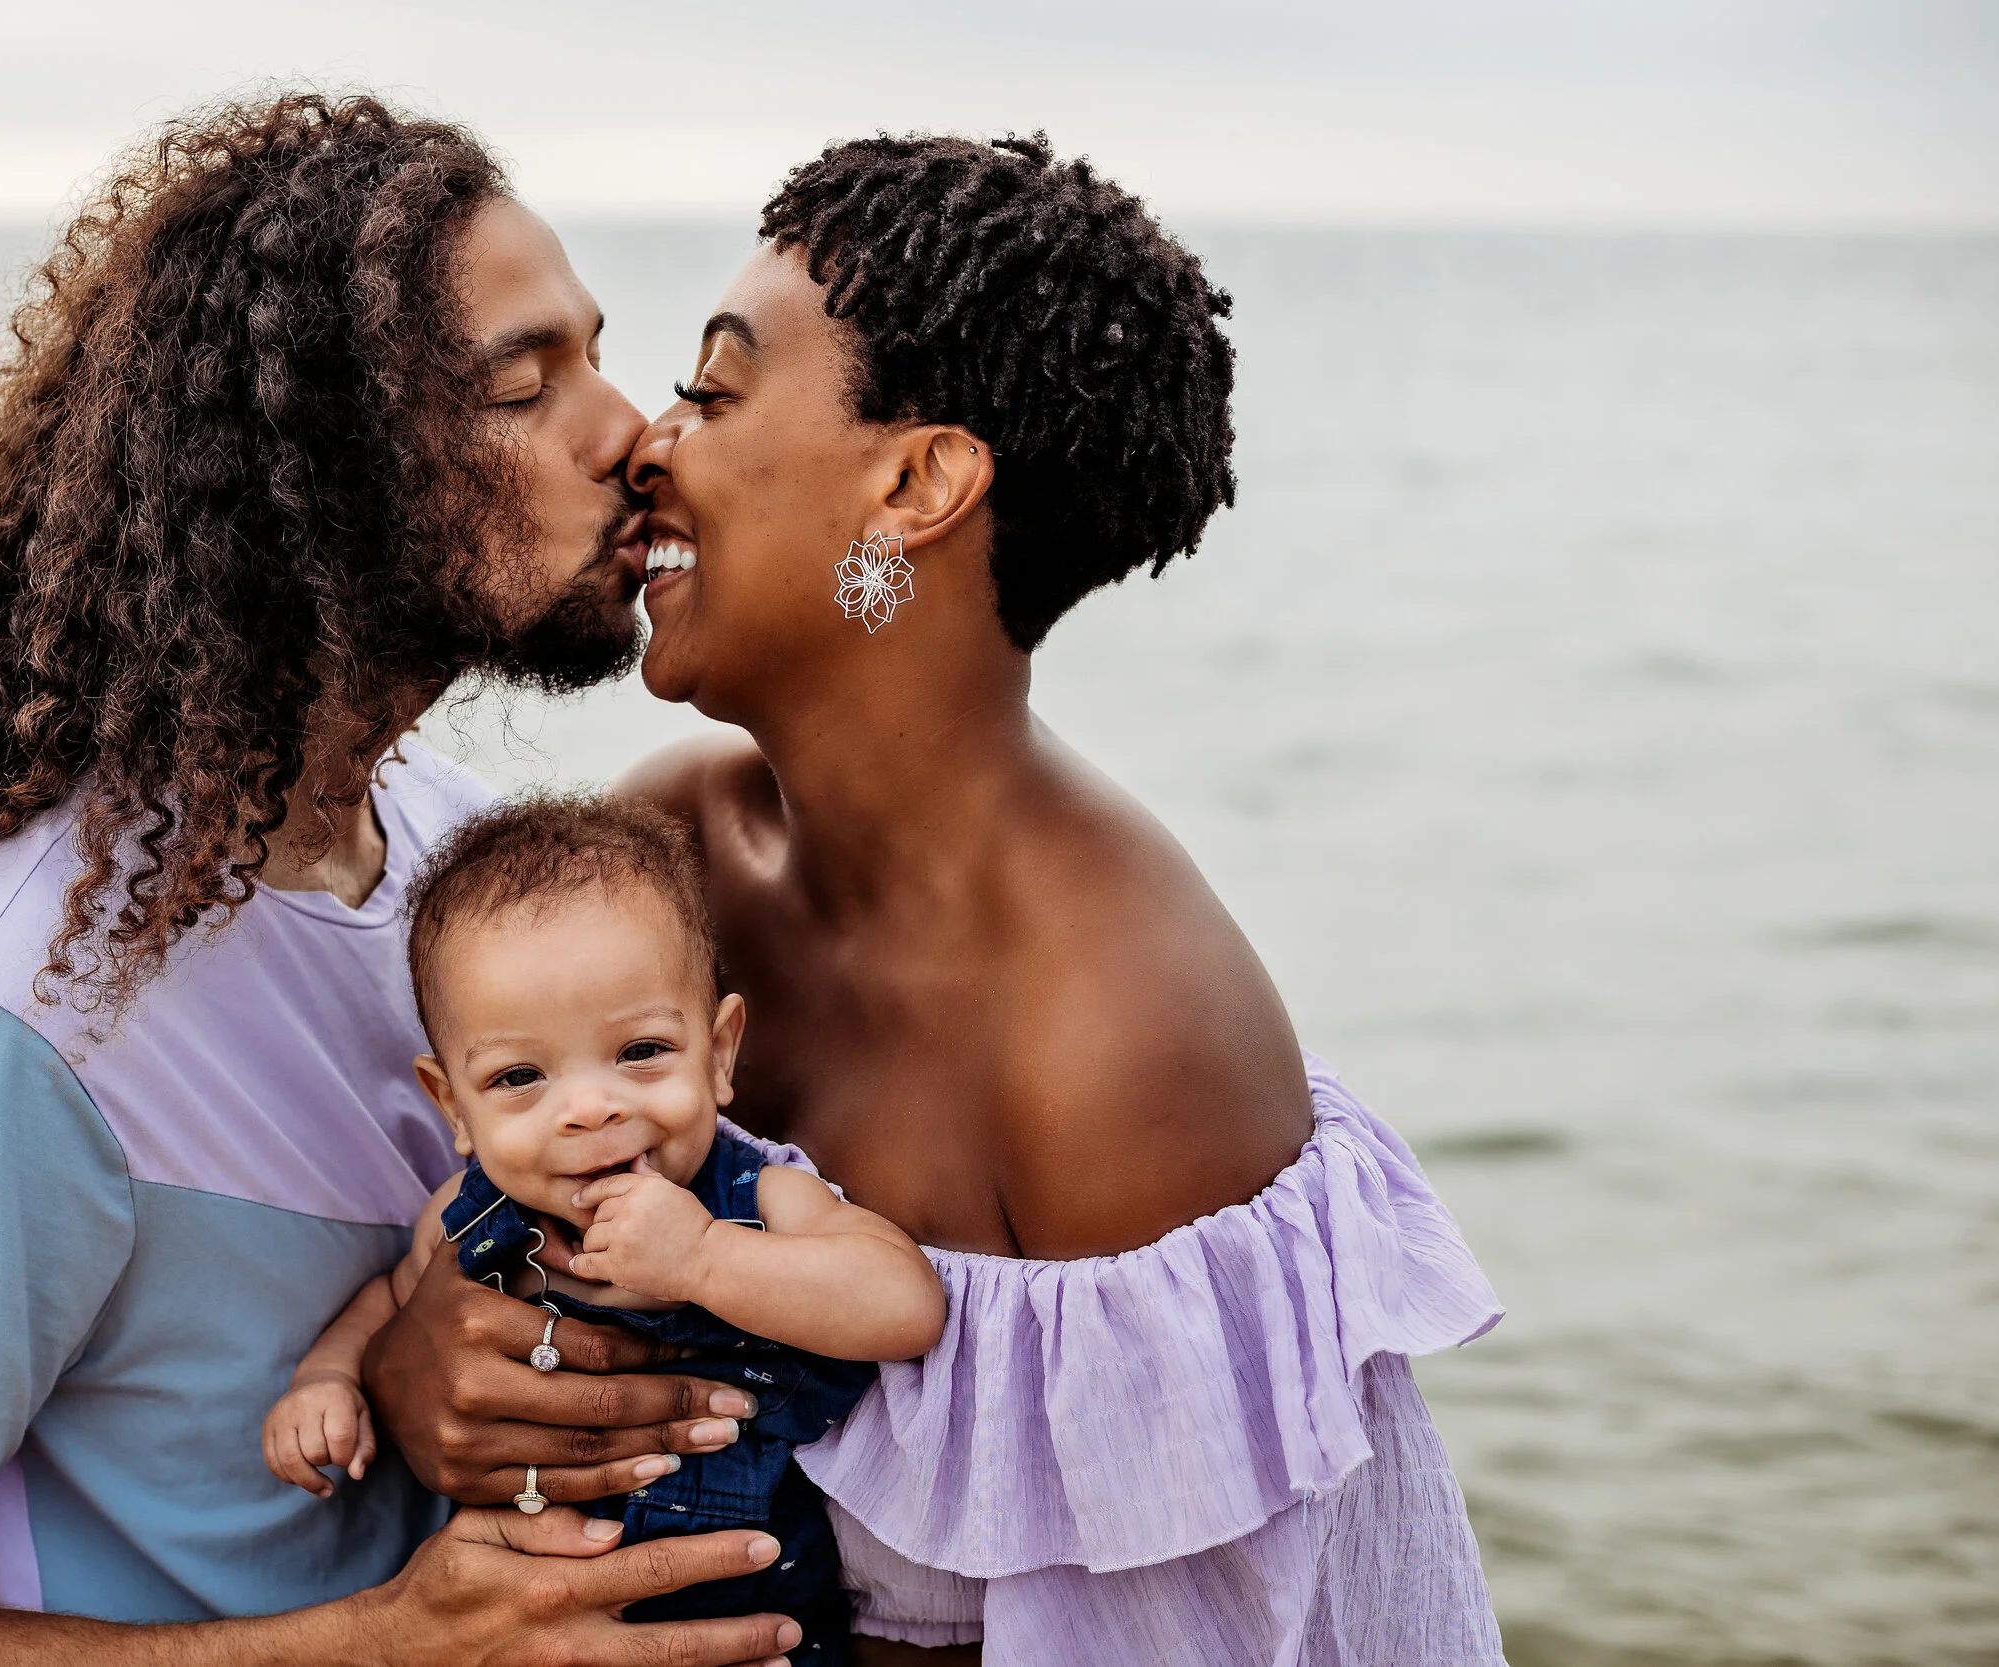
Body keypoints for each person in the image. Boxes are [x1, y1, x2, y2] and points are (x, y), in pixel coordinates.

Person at [0, 94, 804, 1667]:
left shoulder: (456, 852)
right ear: (326, 481)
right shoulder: (12, 1028)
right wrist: (385, 1640)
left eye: (596, 351)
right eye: (522, 383)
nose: (626, 431)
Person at [366, 134, 1508, 1664]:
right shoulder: (668, 848)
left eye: (713, 391)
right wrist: (422, 1353)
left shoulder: (1115, 1041)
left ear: (917, 482)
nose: (652, 440)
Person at [263, 793, 946, 1661]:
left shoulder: (757, 1198)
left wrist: (705, 1256)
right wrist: (327, 1379)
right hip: (530, 1630)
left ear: (720, 1050)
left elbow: (906, 1303)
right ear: (454, 1106)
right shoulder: (467, 1218)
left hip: (759, 1633)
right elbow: (386, 1303)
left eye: (640, 1052)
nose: (589, 1108)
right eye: (519, 1076)